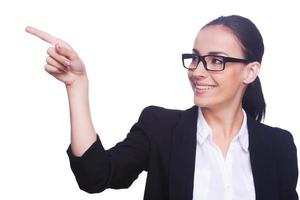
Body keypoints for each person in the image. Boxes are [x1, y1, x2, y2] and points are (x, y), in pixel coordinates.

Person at [26, 15, 298, 200]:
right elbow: (95, 176)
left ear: (250, 72)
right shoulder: (159, 127)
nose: (197, 71)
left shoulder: (278, 145)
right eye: (195, 58)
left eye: (216, 61)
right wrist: (77, 85)